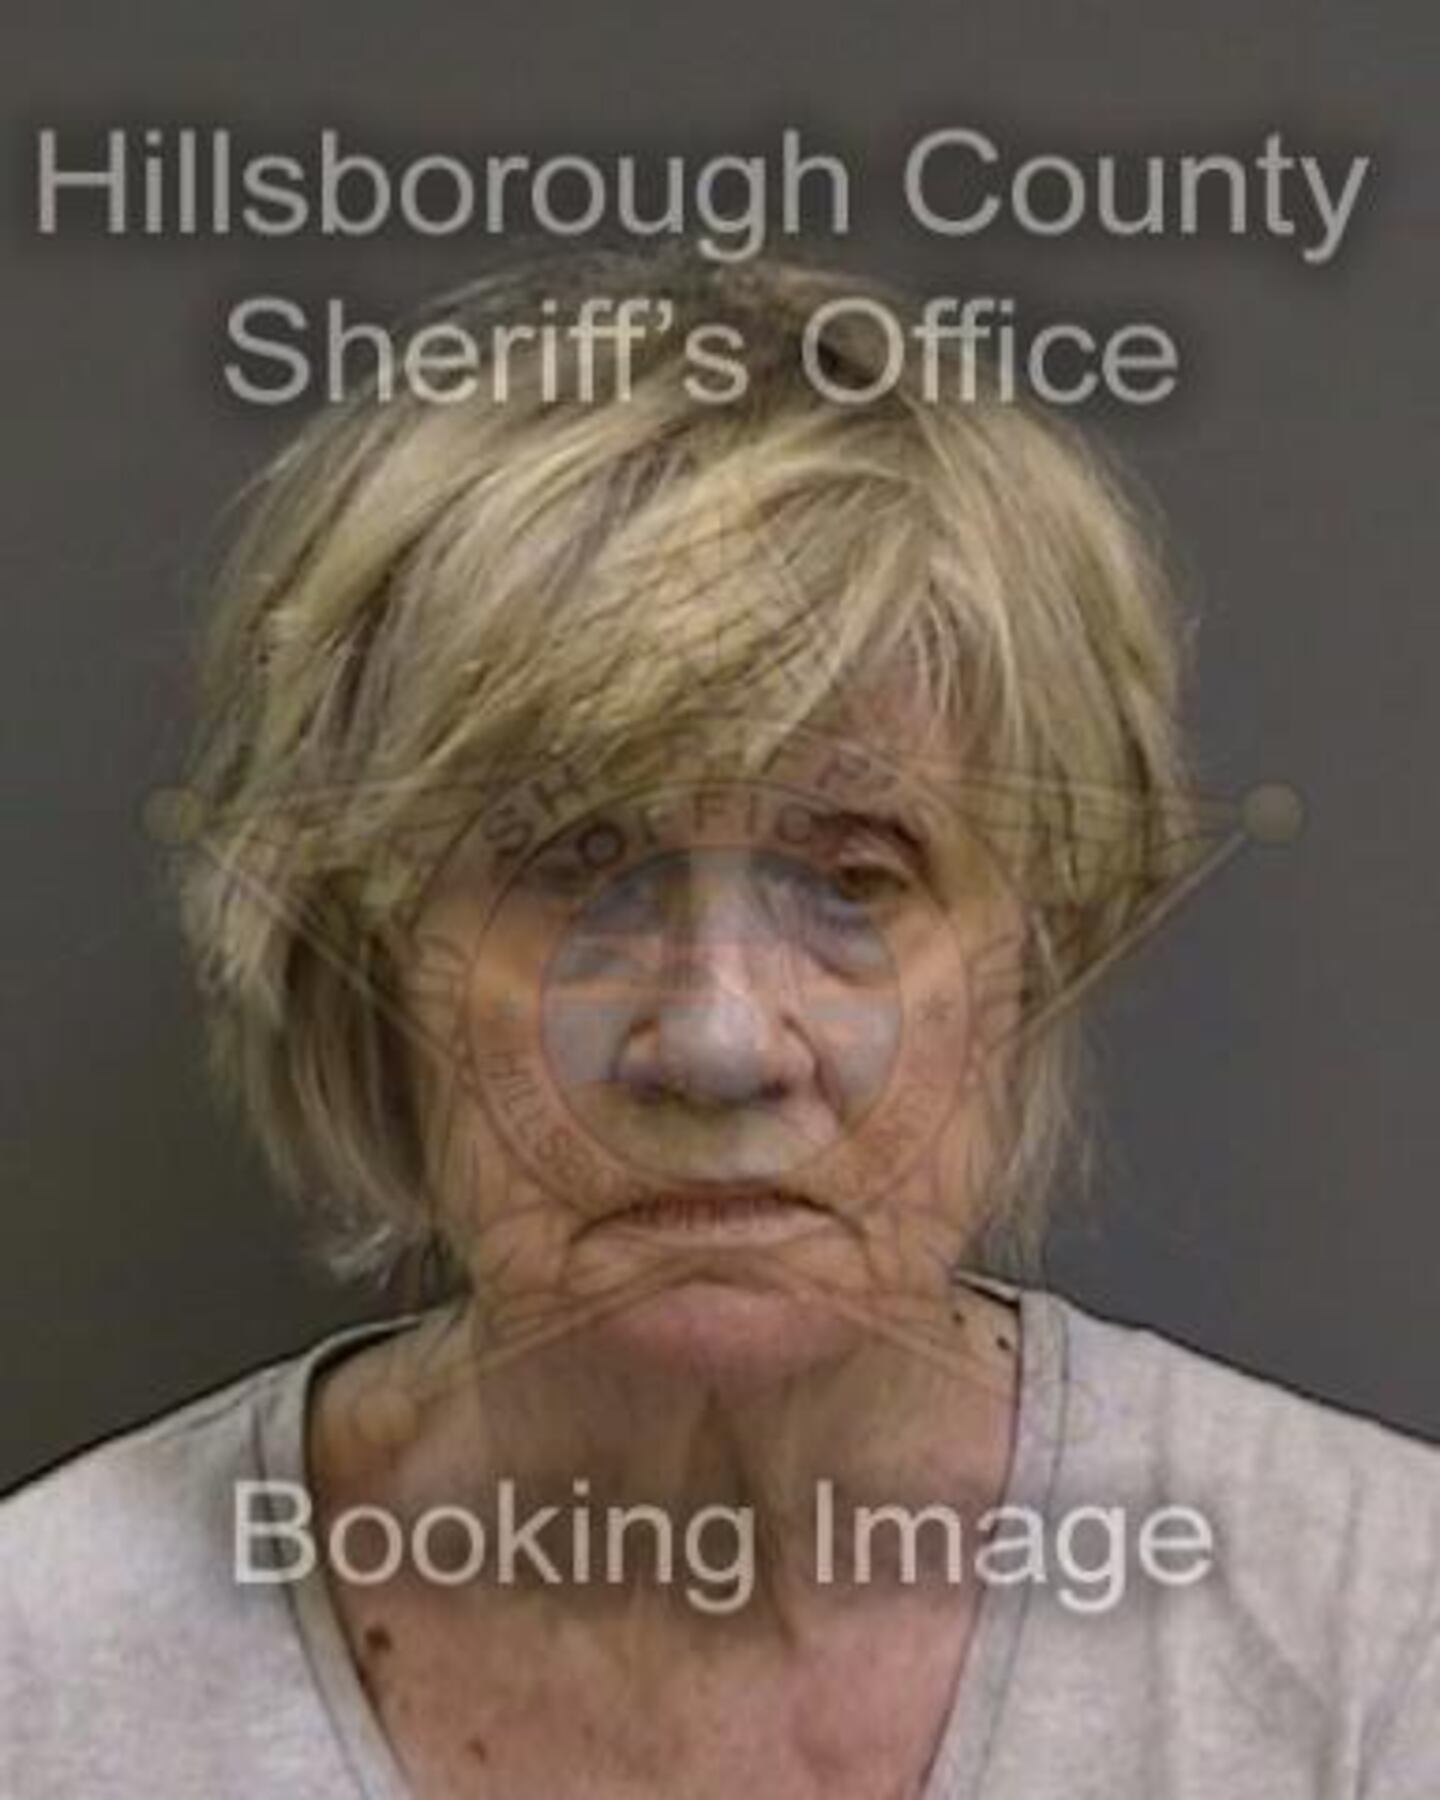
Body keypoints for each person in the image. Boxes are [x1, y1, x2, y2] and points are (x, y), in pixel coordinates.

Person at [2, 247, 1436, 1799]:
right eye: (574, 866)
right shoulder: (51, 1670)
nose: (718, 1043)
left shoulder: (1372, 1640)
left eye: (855, 878)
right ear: (366, 949)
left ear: (1037, 953)